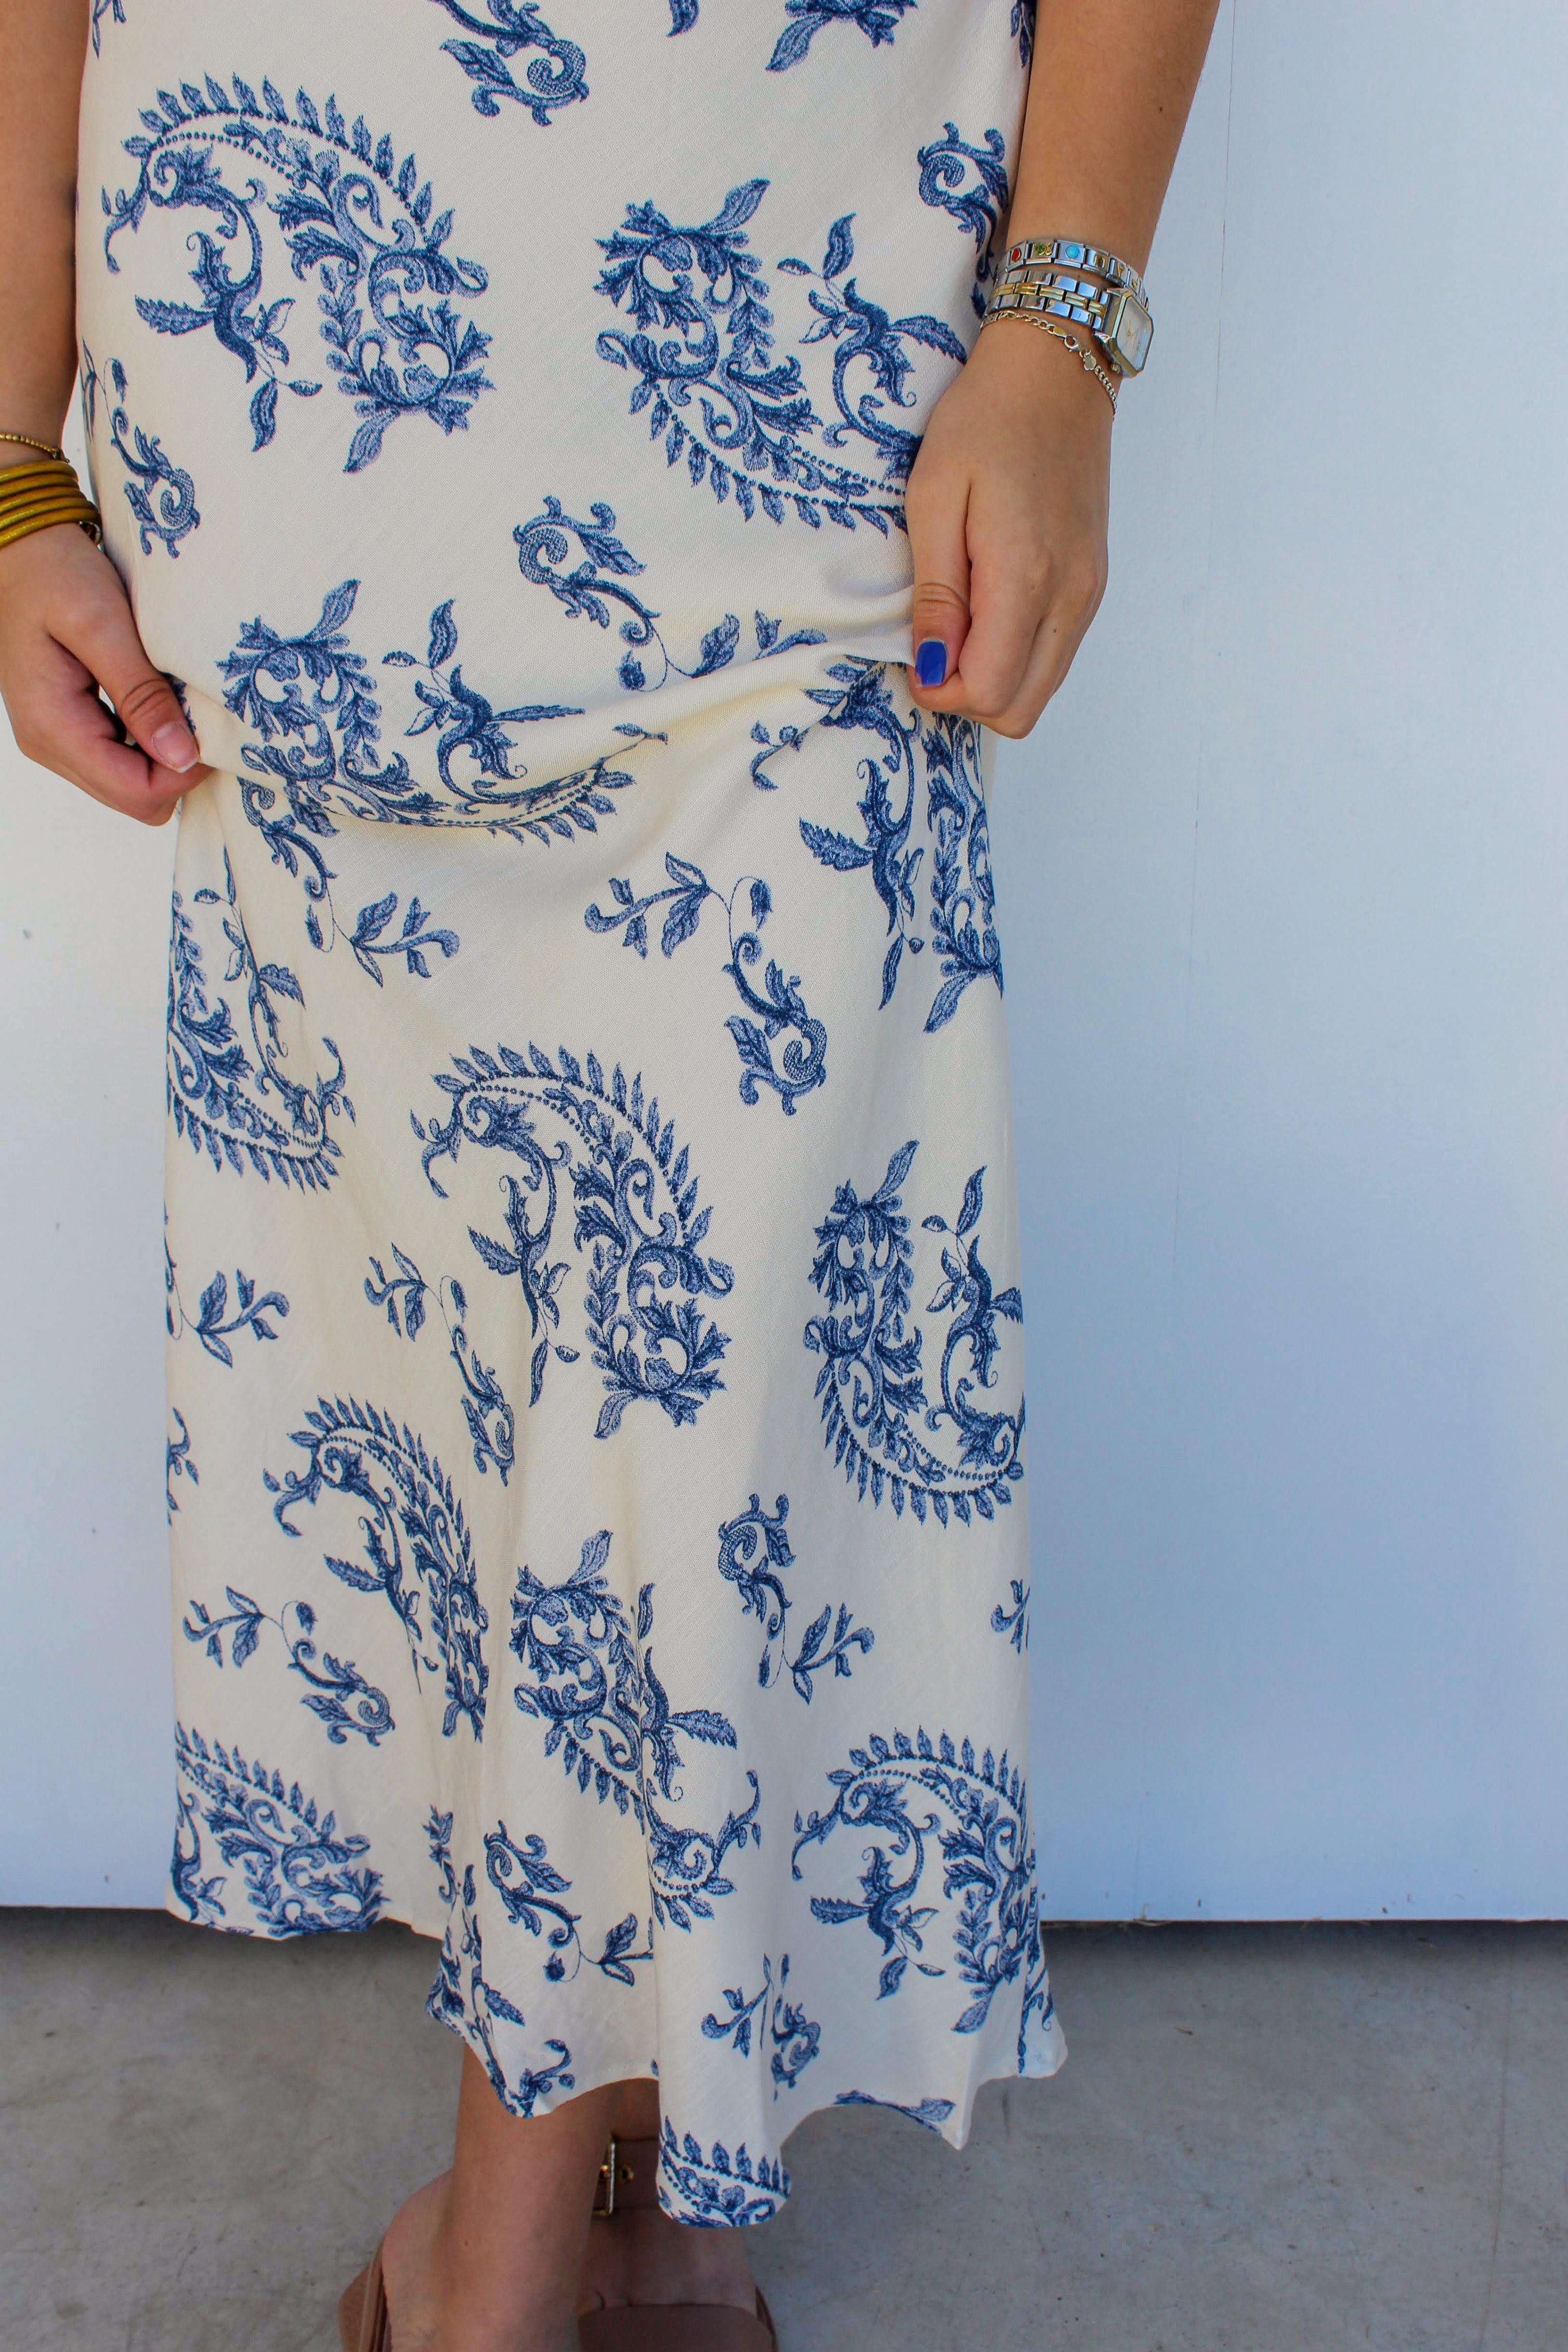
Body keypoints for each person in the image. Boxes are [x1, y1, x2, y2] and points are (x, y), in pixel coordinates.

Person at [0, 3, 1219, 2345]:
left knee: (692, 1371)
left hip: (807, 448)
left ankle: (506, 2241)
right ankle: (632, 2131)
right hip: (294, 481)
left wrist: (1062, 328)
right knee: (461, 1382)